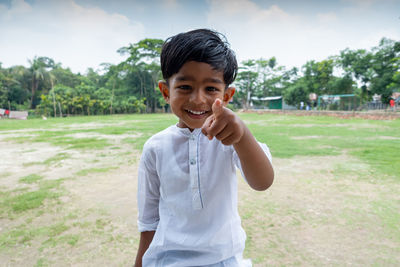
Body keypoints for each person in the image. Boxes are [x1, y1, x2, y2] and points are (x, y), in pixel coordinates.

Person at [134, 29, 274, 267]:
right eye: (185, 87)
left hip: (223, 258)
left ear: (227, 95)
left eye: (211, 89)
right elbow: (149, 220)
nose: (198, 99)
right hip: (167, 259)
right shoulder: (155, 147)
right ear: (166, 91)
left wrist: (242, 135)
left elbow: (263, 182)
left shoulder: (231, 138)